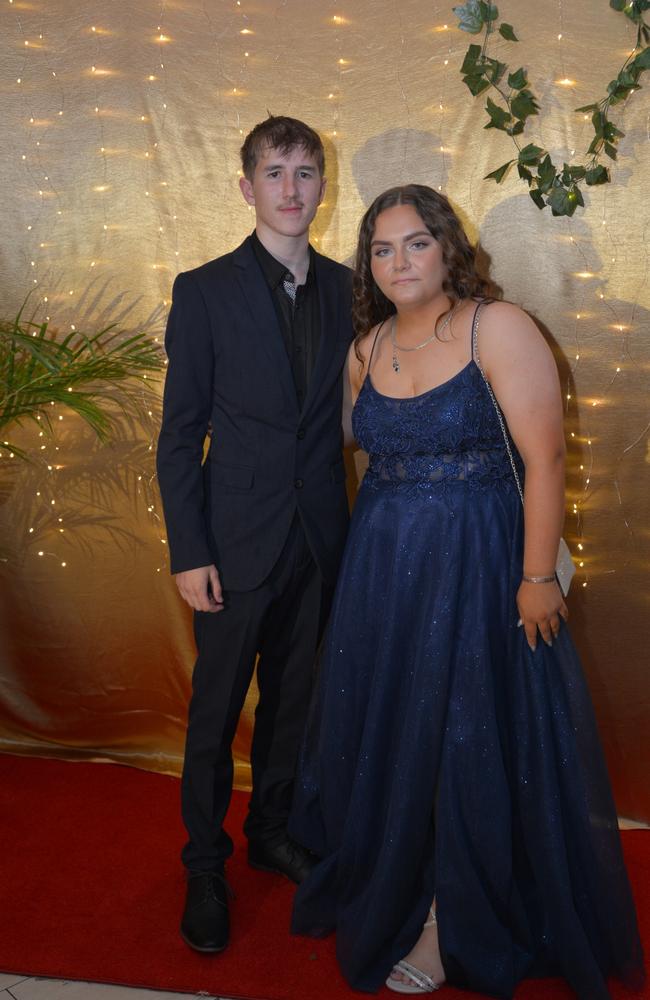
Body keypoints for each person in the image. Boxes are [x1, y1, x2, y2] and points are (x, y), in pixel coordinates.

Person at [289, 185, 644, 998]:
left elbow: (546, 461)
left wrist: (532, 578)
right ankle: (404, 884)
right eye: (381, 250)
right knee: (399, 735)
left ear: (449, 248)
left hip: (482, 564)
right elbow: (350, 448)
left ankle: (453, 924)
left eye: (415, 243)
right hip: (386, 573)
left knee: (465, 738)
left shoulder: (499, 326)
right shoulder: (365, 347)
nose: (398, 262)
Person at [156, 115, 353, 954]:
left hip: (319, 537)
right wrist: (190, 551)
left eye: (306, 173)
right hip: (231, 545)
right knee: (215, 714)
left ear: (323, 185)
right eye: (275, 173)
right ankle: (206, 861)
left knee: (295, 706)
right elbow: (179, 435)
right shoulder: (203, 290)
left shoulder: (352, 287)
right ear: (247, 187)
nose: (291, 189)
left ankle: (273, 831)